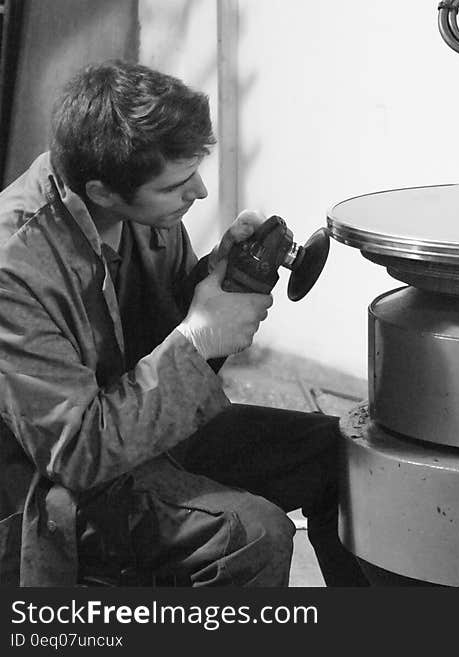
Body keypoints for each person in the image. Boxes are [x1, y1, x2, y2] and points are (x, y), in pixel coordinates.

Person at [0, 59, 368, 586]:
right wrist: (197, 339)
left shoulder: (142, 214)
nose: (198, 192)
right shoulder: (14, 269)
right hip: (55, 488)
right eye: (177, 185)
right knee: (252, 535)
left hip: (143, 436)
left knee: (343, 458)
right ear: (103, 191)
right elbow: (77, 455)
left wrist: (223, 277)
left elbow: (157, 345)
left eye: (196, 171)